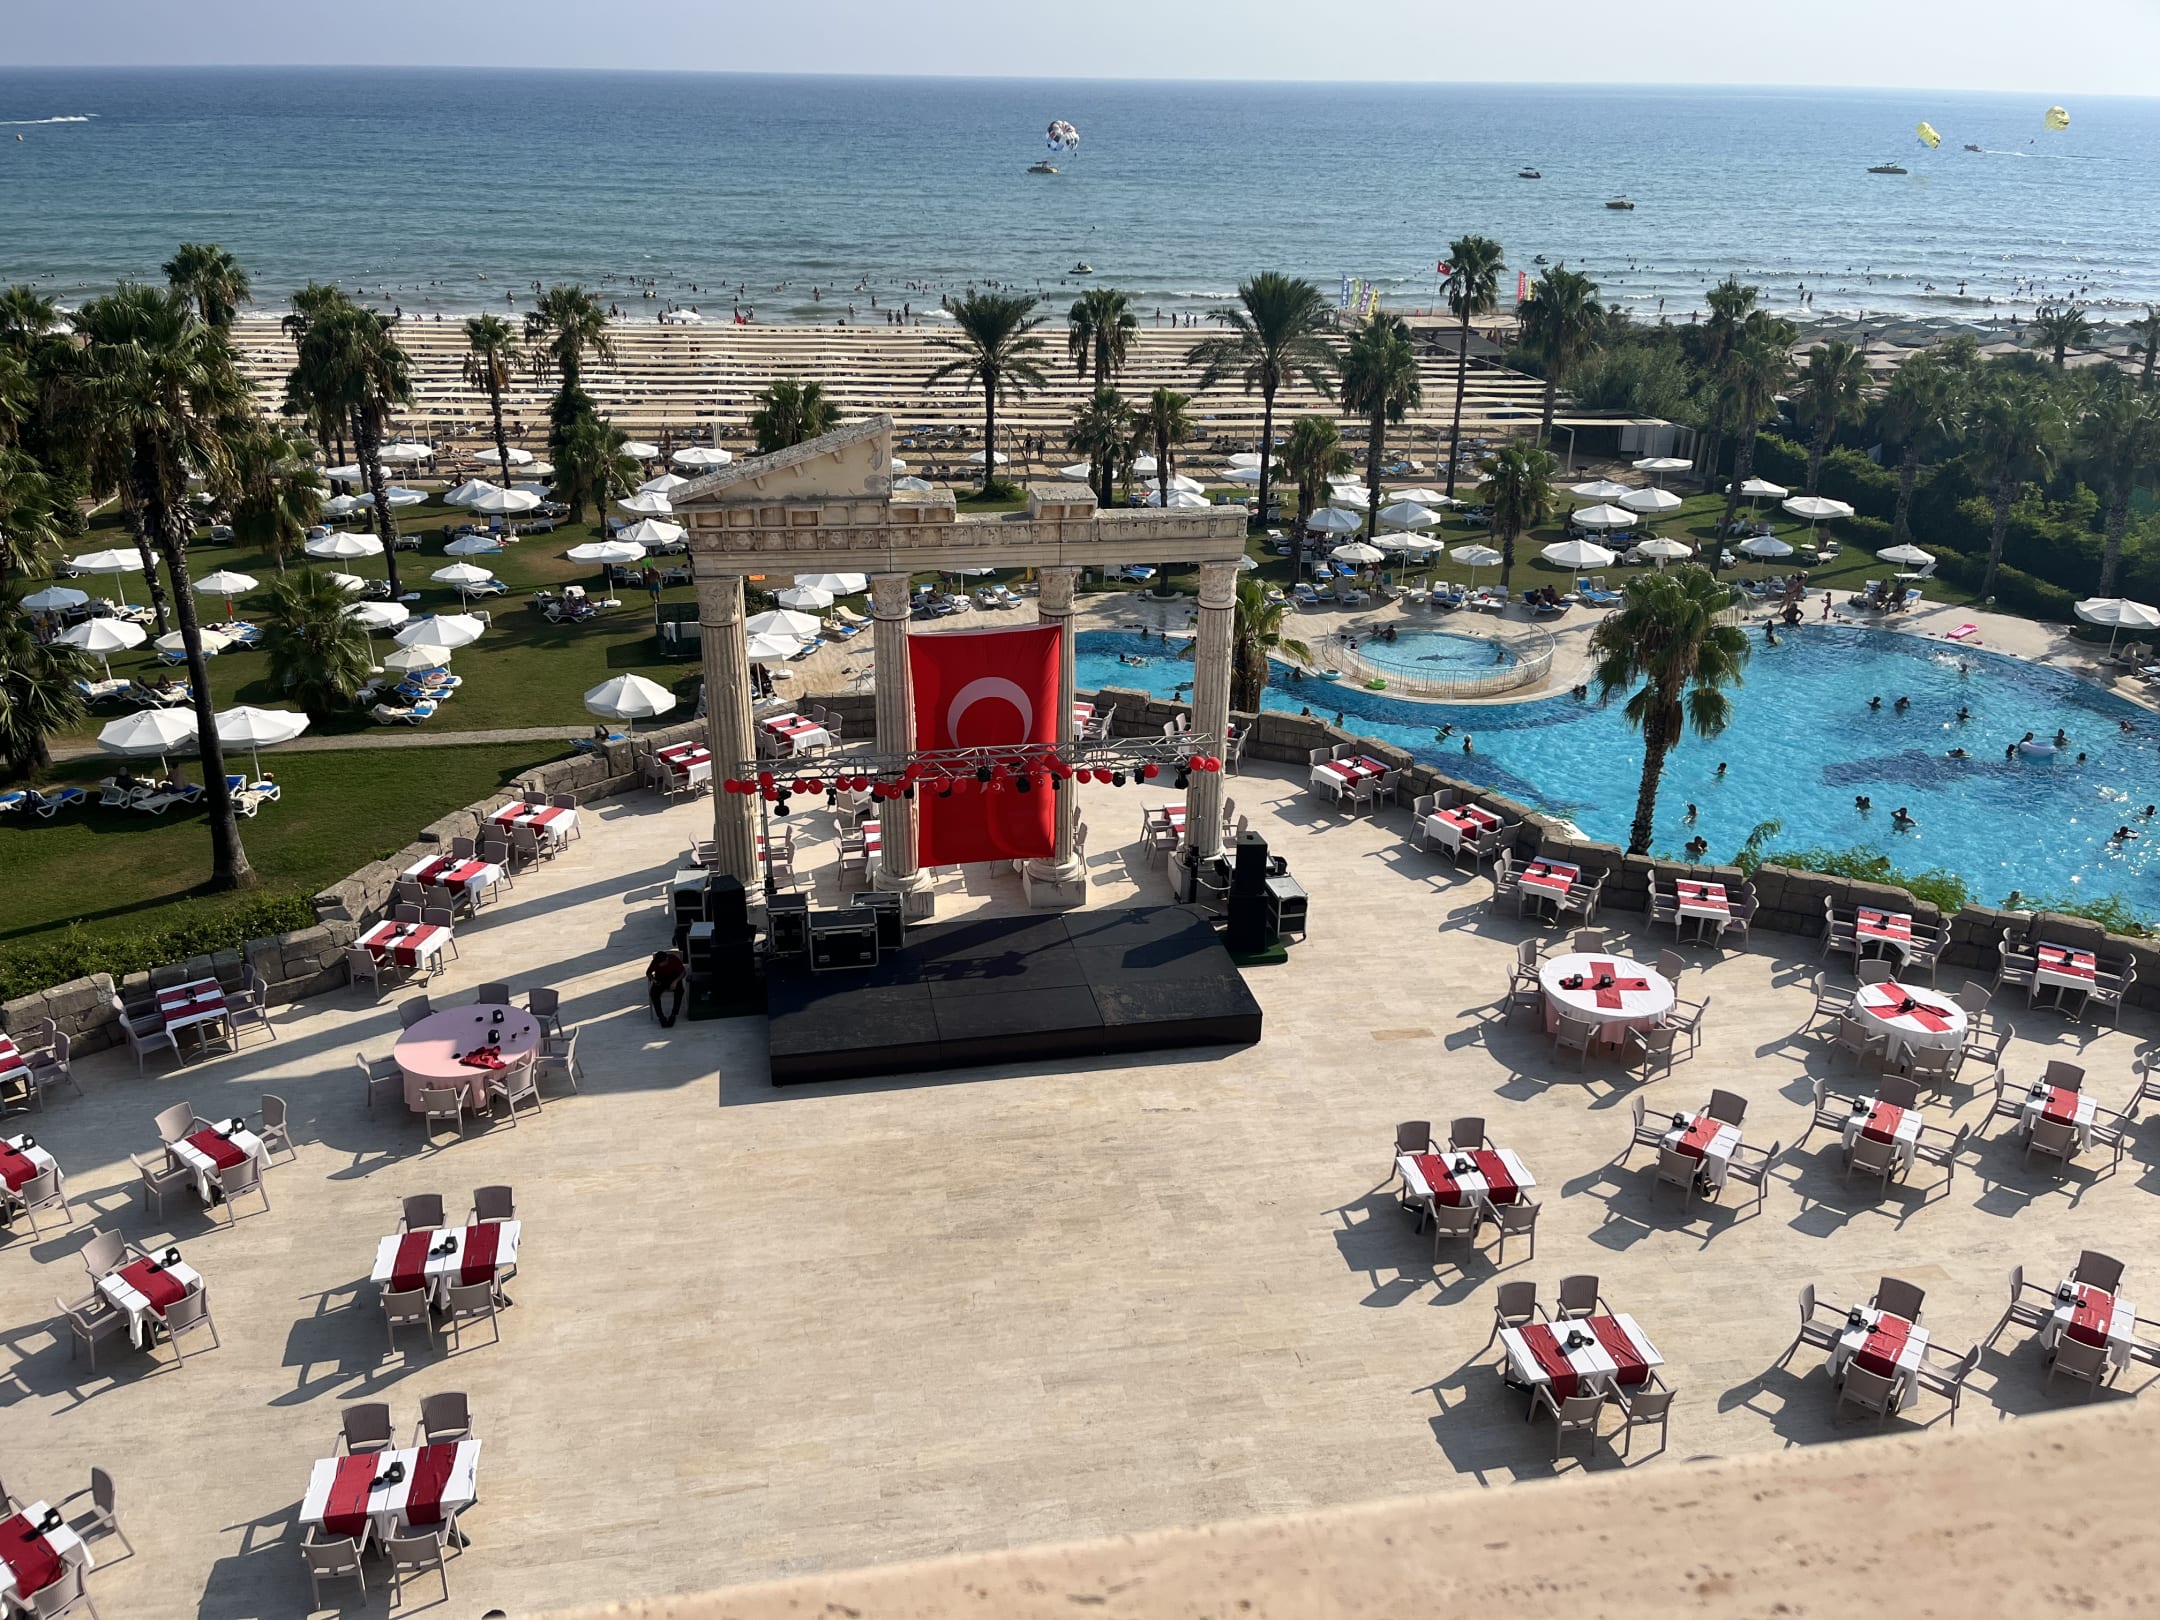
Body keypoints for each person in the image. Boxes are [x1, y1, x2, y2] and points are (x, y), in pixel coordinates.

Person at [647, 947, 688, 1027]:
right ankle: (661, 1016)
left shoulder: (673, 959)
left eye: (661, 963)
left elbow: (683, 972)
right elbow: (648, 972)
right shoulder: (655, 961)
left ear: (666, 960)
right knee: (653, 993)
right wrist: (653, 979)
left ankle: (673, 1014)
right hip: (660, 979)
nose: (660, 965)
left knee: (680, 991)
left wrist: (675, 982)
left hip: (673, 978)